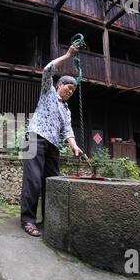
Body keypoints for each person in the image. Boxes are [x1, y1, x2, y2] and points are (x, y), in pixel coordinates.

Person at [20, 45, 84, 237]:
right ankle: (28, 220)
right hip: (34, 138)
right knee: (33, 181)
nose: (70, 92)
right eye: (68, 87)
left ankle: (49, 219)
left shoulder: (67, 110)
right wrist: (68, 55)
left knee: (52, 182)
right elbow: (47, 70)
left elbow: (68, 131)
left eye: (73, 90)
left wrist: (75, 147)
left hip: (53, 145)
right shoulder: (47, 92)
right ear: (59, 85)